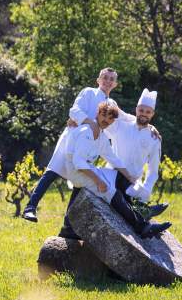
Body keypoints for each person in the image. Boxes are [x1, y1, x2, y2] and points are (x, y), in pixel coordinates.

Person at [53, 101, 171, 238]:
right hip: (77, 172)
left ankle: (144, 210)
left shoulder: (101, 136)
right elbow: (78, 162)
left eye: (110, 119)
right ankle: (143, 227)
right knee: (114, 194)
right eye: (104, 116)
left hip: (88, 168)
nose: (107, 121)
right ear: (97, 114)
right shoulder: (87, 131)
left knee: (120, 178)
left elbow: (113, 158)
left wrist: (130, 177)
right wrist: (98, 181)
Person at [21, 67, 120, 222]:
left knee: (79, 185)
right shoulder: (88, 92)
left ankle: (68, 225)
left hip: (89, 147)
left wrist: (148, 128)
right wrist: (90, 122)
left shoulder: (112, 103)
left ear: (115, 84)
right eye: (105, 77)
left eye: (111, 79)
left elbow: (124, 120)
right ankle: (30, 208)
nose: (108, 81)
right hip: (72, 140)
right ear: (98, 80)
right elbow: (74, 111)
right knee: (52, 172)